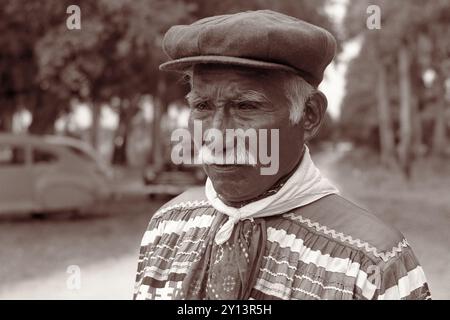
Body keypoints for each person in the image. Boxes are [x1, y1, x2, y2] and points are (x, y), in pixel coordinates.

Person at [134, 10, 431, 300]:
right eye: (201, 106)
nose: (216, 135)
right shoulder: (168, 226)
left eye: (246, 107)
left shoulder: (372, 263)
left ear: (309, 115)